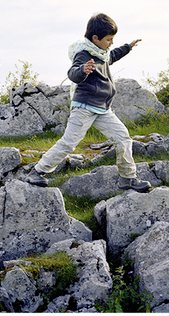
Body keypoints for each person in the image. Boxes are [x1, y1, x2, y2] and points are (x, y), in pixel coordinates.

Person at [24, 13, 152, 193]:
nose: (111, 43)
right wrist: (83, 70)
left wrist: (128, 47)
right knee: (69, 143)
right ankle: (37, 172)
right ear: (95, 38)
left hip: (102, 109)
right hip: (84, 107)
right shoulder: (84, 54)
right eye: (108, 39)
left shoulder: (102, 53)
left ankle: (128, 178)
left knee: (123, 137)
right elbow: (72, 73)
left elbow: (112, 55)